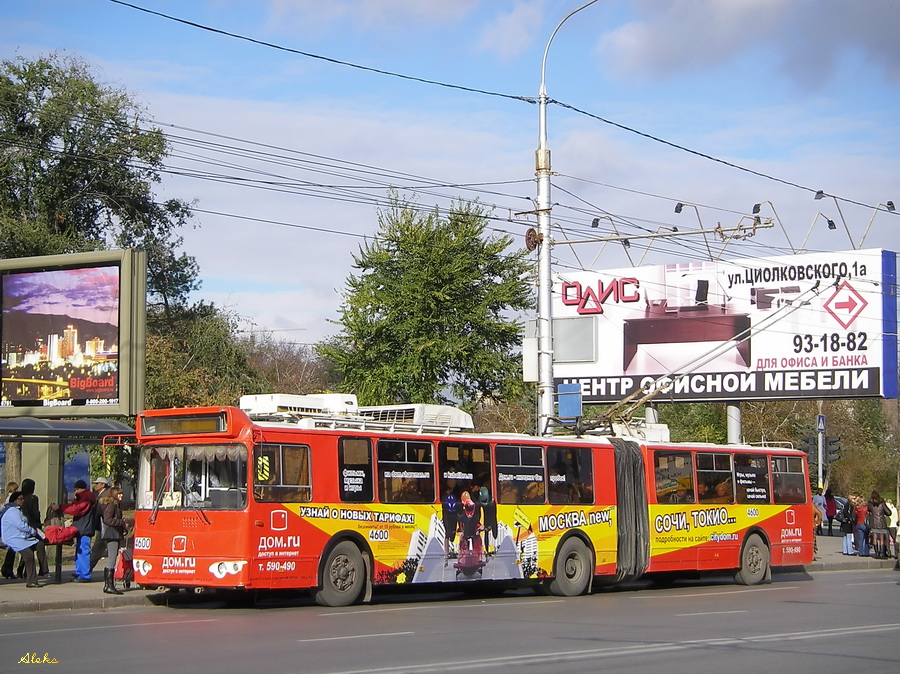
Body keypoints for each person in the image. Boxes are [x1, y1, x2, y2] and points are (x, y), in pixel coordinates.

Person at [0, 491, 47, 588]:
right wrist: (33, 531)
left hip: (22, 537)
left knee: (40, 544)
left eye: (23, 499)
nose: (23, 500)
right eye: (20, 499)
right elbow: (21, 525)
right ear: (15, 500)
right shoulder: (12, 511)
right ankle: (31, 581)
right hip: (13, 538)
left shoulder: (17, 510)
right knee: (29, 555)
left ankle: (44, 570)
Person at [62, 480, 98, 582]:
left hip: (85, 528)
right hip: (82, 527)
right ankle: (79, 571)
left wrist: (62, 508)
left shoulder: (87, 498)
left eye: (77, 489)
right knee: (80, 550)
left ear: (81, 489)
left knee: (84, 551)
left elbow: (77, 509)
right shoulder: (84, 497)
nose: (75, 491)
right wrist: (76, 499)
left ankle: (85, 575)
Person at [99, 487, 127, 595]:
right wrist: (121, 523)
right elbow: (107, 519)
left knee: (112, 557)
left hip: (113, 534)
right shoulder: (112, 505)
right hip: (112, 535)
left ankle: (108, 585)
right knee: (112, 558)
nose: (121, 496)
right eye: (119, 494)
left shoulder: (114, 504)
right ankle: (109, 585)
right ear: (115, 495)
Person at [88, 477, 111, 572]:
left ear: (103, 485)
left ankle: (87, 570)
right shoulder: (100, 494)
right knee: (100, 549)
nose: (95, 485)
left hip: (105, 526)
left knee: (98, 549)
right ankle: (87, 569)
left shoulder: (106, 495)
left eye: (97, 483)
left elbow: (100, 512)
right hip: (103, 526)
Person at [1, 481, 19, 579]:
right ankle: (8, 568)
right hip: (10, 527)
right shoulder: (12, 500)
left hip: (3, 526)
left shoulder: (3, 499)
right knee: (13, 547)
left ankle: (7, 568)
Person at [867, 491, 891, 559]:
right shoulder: (882, 503)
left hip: (874, 523)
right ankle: (882, 553)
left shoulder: (870, 503)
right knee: (882, 538)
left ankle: (877, 553)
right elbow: (888, 512)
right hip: (881, 523)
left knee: (874, 537)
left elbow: (869, 510)